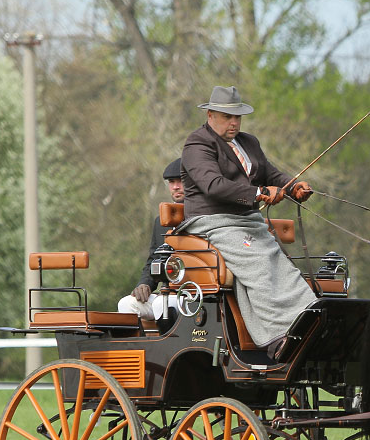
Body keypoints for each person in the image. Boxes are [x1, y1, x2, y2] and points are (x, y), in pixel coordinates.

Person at [180, 85, 315, 351]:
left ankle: (304, 323)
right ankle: (275, 337)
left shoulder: (248, 142)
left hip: (247, 222)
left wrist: (292, 186)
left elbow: (271, 174)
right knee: (259, 261)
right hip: (212, 221)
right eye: (227, 116)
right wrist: (259, 193)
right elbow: (214, 185)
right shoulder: (197, 144)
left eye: (237, 117)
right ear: (210, 115)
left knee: (283, 264)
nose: (234, 122)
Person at [117, 158, 183, 320]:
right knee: (126, 304)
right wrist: (144, 284)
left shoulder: (204, 219)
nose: (175, 186)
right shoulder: (160, 221)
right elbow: (154, 260)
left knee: (162, 304)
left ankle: (172, 346)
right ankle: (139, 346)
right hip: (168, 294)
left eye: (181, 181)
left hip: (197, 295)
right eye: (171, 182)